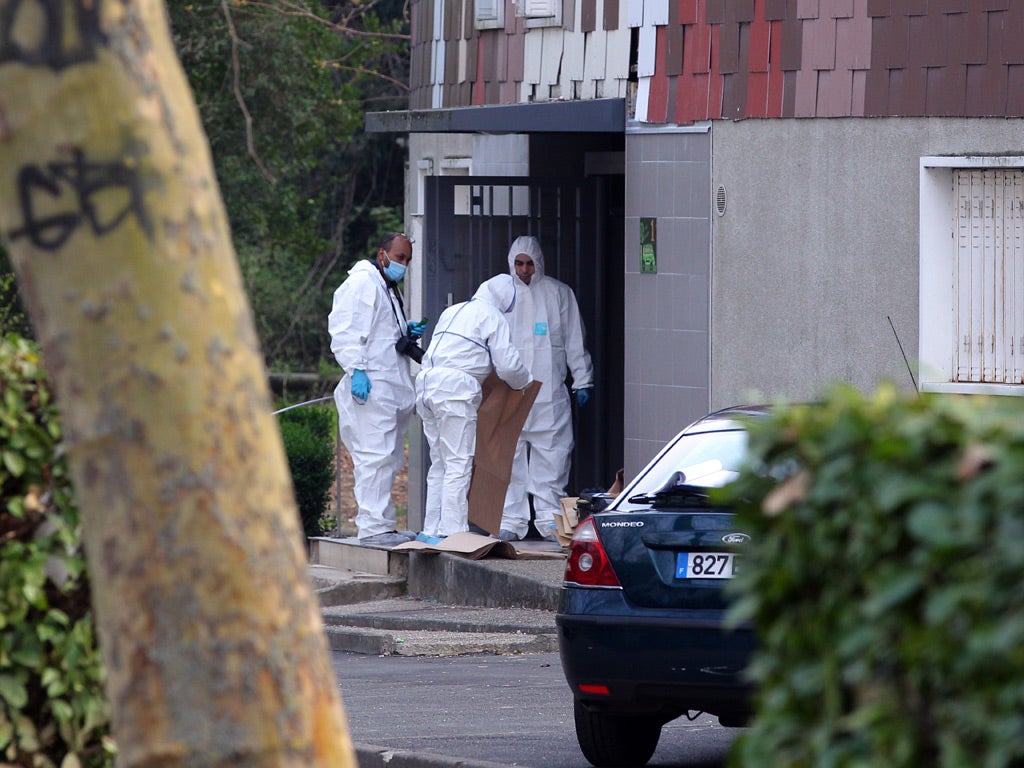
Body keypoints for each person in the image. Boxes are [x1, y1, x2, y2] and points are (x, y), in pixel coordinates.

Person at [415, 274, 533, 541]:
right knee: (458, 462)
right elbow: (508, 365)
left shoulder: (453, 310)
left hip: (426, 385)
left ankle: (431, 529)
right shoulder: (493, 316)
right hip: (455, 390)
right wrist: (525, 382)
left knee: (440, 463)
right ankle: (453, 533)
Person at [328, 233, 428, 547]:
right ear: (381, 253)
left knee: (387, 458)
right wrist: (356, 369)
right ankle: (372, 527)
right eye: (399, 258)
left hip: (387, 388)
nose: (403, 265)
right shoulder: (362, 284)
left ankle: (382, 524)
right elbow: (345, 329)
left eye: (408, 260)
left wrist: (404, 330)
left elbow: (377, 332)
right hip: (370, 388)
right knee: (374, 457)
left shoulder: (385, 287)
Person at [498, 235, 594, 542]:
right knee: (508, 459)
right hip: (510, 392)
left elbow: (574, 340)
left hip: (549, 394)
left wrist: (583, 379)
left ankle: (551, 521)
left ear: (539, 263)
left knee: (552, 459)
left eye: (529, 264)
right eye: (519, 263)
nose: (524, 270)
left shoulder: (558, 294)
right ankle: (510, 520)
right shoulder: (500, 293)